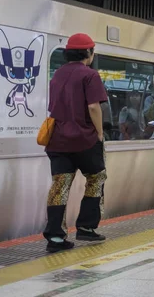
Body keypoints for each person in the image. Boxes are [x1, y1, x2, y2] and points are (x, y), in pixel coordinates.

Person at [43, 33, 108, 253]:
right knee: (96, 177)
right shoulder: (89, 75)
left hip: (57, 141)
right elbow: (93, 107)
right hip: (84, 139)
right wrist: (99, 133)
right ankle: (86, 228)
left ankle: (56, 237)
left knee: (59, 186)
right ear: (89, 53)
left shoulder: (57, 74)